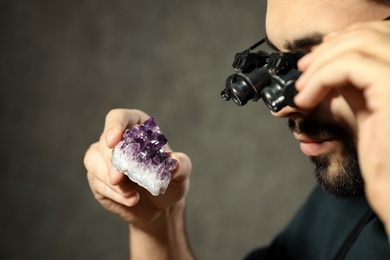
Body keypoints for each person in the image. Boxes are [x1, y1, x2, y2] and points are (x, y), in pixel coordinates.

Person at [83, 0, 390, 259]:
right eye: (283, 64)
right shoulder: (348, 189)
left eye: (327, 57)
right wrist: (157, 224)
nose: (282, 107)